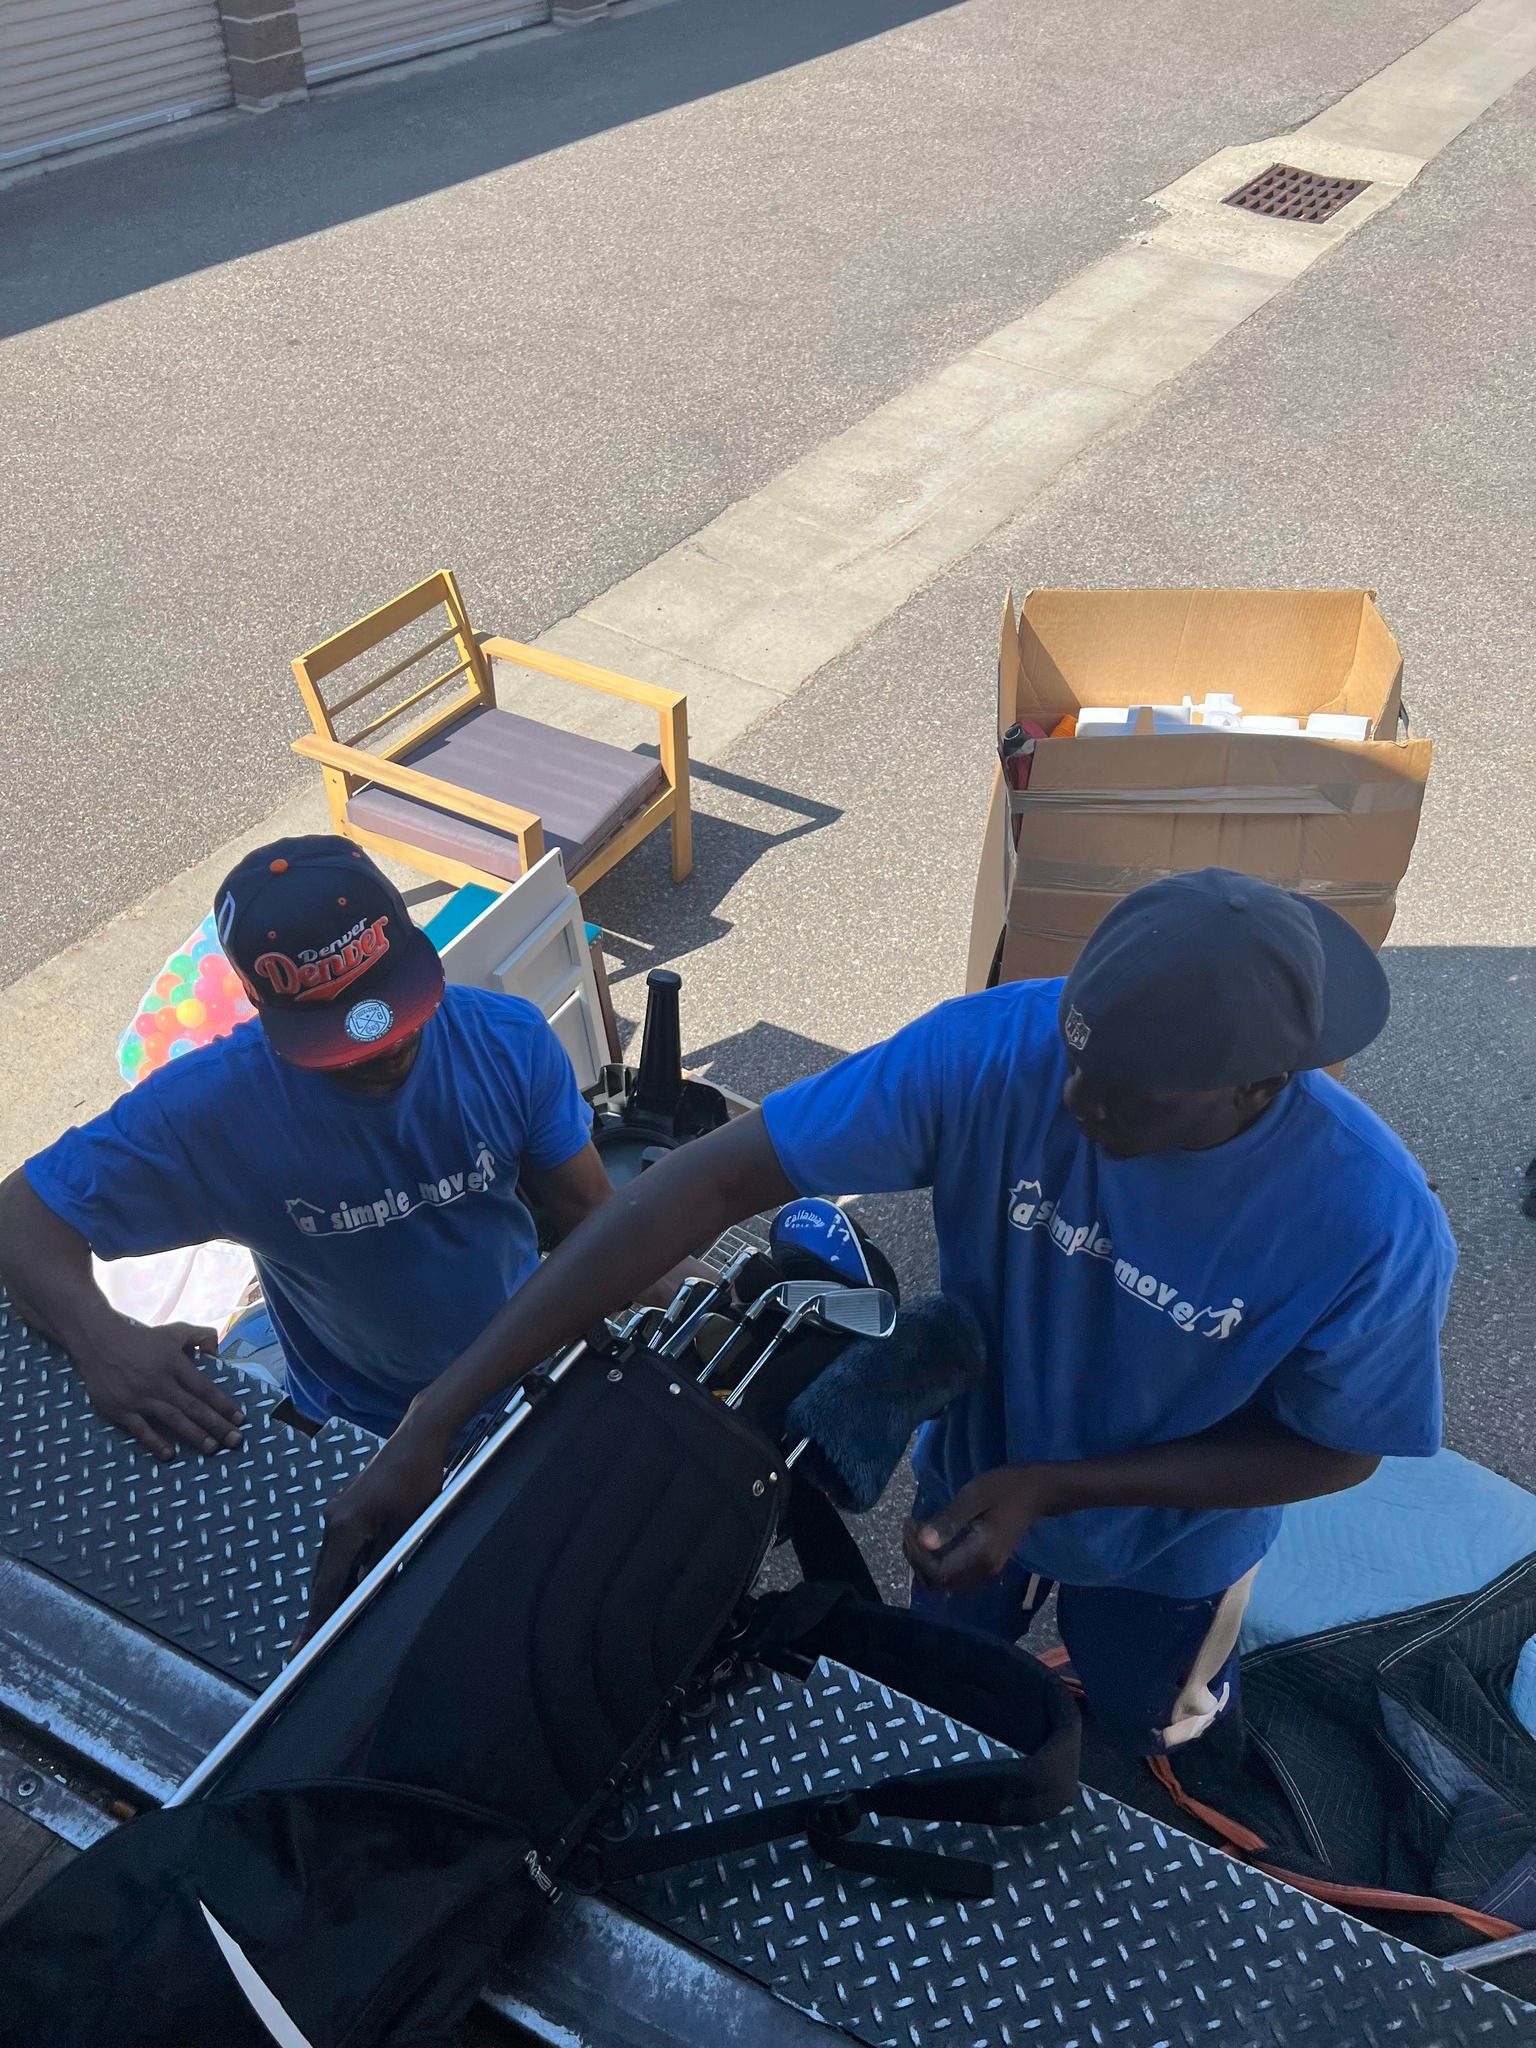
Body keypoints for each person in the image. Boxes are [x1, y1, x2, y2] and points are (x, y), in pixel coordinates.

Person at [303, 870, 1454, 1752]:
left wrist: (1065, 1486)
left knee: (1150, 1719)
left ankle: (1149, 1762)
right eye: (1073, 1050)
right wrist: (435, 1417)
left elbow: (1339, 1448)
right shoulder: (989, 1049)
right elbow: (698, 1185)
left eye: (1129, 1095)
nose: (1073, 1100)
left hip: (1165, 1546)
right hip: (970, 1482)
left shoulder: (1372, 1222)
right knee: (940, 1685)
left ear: (1255, 1089)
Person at [0, 835, 676, 1455]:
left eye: (394, 1016)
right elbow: (20, 1214)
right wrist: (103, 1342)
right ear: (265, 1010)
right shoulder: (212, 1111)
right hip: (361, 1425)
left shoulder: (508, 1040)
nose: (384, 1050)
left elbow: (593, 1215)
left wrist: (711, 1286)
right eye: (344, 1045)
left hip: (527, 1368)